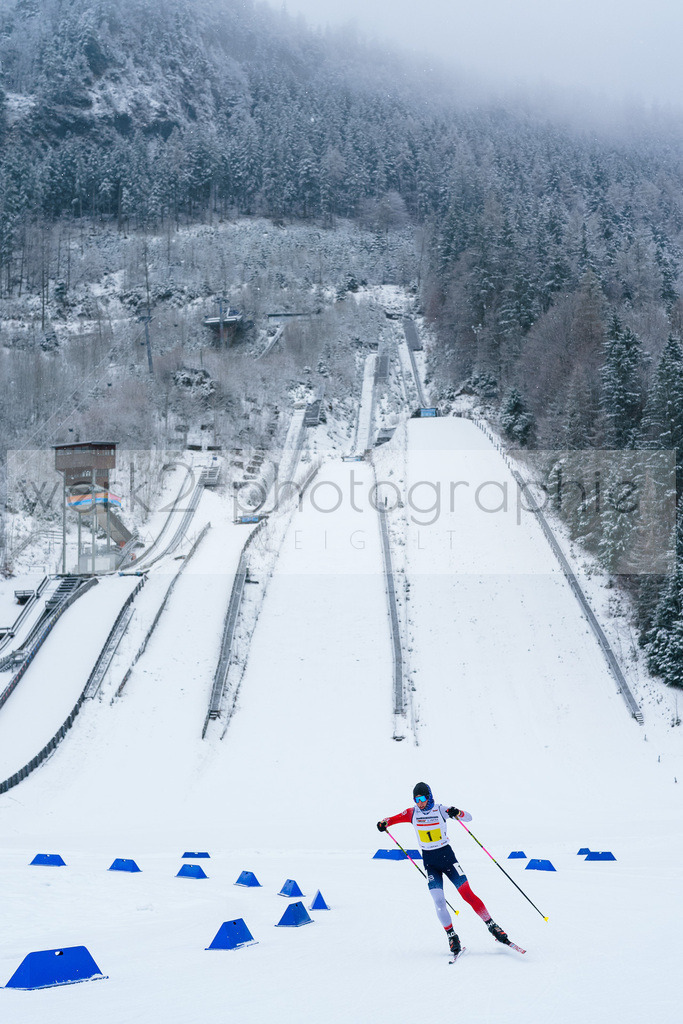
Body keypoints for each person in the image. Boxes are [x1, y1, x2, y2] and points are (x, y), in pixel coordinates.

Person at [377, 781, 510, 957]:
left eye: (423, 798)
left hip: (448, 858)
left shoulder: (440, 810)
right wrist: (383, 823)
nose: (420, 803)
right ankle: (452, 936)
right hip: (430, 863)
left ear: (430, 797)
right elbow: (390, 820)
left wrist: (458, 812)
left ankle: (492, 926)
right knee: (439, 901)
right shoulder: (412, 813)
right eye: (417, 799)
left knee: (467, 894)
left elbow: (468, 817)